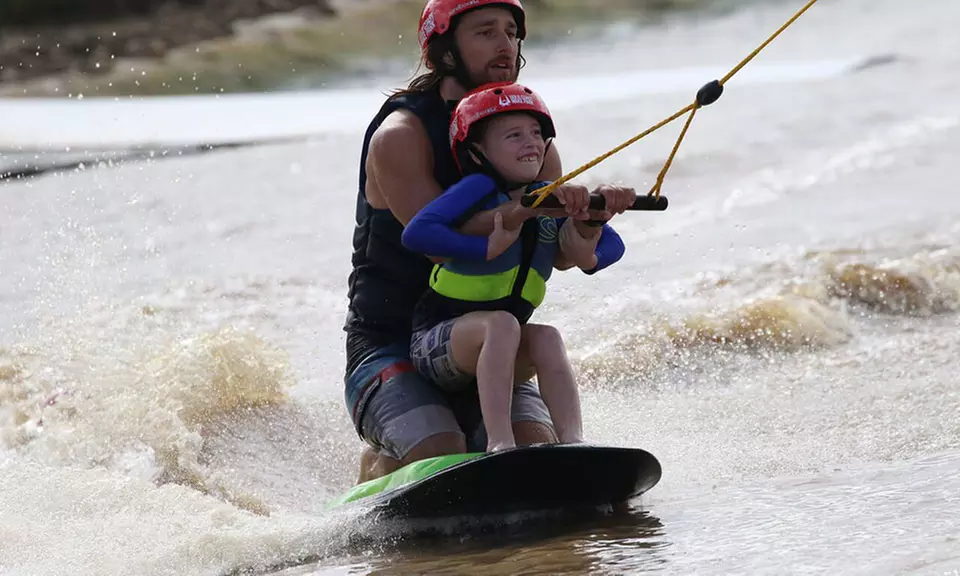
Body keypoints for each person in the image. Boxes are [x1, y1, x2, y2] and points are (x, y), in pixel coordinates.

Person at [344, 0, 637, 483]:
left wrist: (587, 217)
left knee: (536, 453)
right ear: (445, 51)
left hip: (492, 342)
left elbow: (559, 254)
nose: (506, 45)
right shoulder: (402, 135)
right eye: (485, 32)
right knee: (443, 450)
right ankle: (383, 459)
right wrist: (525, 207)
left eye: (511, 32)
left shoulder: (533, 144)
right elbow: (441, 246)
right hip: (392, 342)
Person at [401, 81, 627, 452]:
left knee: (547, 336)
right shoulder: (477, 188)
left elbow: (611, 246)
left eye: (537, 133)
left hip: (497, 346)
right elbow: (417, 233)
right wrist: (483, 246)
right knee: (504, 324)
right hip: (436, 344)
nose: (532, 143)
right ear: (477, 151)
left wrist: (595, 215)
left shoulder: (551, 196)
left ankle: (573, 443)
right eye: (514, 135)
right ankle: (500, 444)